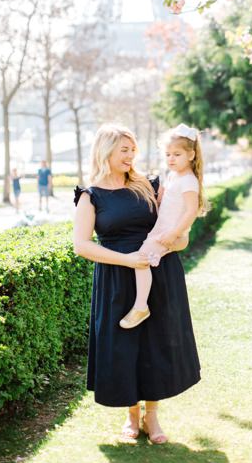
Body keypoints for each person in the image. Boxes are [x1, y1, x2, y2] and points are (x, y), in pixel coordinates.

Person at [73, 123, 200, 444]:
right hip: (117, 278)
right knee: (125, 348)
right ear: (105, 152)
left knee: (155, 346)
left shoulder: (149, 184)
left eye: (133, 150)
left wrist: (175, 243)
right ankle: (131, 416)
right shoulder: (90, 196)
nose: (131, 156)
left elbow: (175, 229)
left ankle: (152, 418)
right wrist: (128, 260)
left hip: (158, 274)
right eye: (124, 150)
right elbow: (82, 245)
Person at [119, 124, 208, 329]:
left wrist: (174, 234)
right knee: (146, 259)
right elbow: (164, 202)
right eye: (168, 154)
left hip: (169, 233)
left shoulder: (188, 181)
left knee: (142, 259)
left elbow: (190, 211)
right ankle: (143, 304)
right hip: (162, 230)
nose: (171, 159)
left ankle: (141, 306)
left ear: (191, 155)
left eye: (177, 154)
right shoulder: (173, 176)